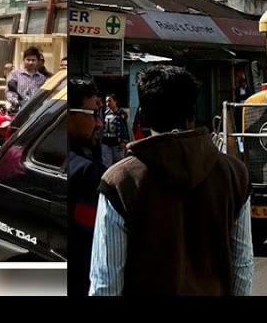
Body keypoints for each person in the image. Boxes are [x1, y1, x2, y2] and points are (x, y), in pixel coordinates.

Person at [89, 65, 253, 296]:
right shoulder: (234, 174)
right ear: (192, 113)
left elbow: (106, 282)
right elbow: (242, 265)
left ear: (143, 116)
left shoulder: (121, 180)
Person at [68, 78, 107, 297]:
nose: (99, 123)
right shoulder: (86, 172)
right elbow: (90, 241)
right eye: (93, 114)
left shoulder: (86, 160)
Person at [100, 94, 130, 167]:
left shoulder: (121, 113)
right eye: (106, 102)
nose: (107, 103)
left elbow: (124, 128)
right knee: (106, 164)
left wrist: (123, 141)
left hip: (117, 143)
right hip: (106, 142)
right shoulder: (105, 113)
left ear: (115, 101)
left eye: (109, 101)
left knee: (119, 164)